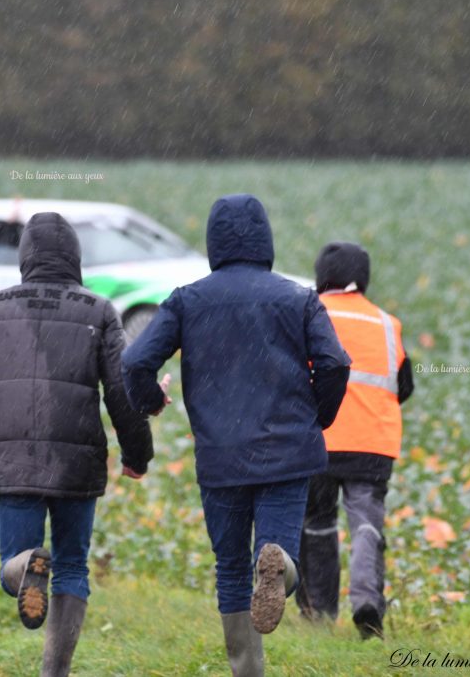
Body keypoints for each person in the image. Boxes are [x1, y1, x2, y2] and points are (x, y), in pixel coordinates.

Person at [121, 194, 350, 677]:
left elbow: (135, 361)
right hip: (287, 451)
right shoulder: (298, 297)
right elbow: (335, 362)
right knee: (278, 552)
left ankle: (247, 670)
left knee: (230, 568)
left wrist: (149, 402)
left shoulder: (187, 299)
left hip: (221, 457)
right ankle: (279, 567)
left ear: (214, 242)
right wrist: (316, 417)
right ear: (265, 239)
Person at [0, 211, 154, 676]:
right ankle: (54, 672)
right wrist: (137, 455)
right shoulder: (98, 311)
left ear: (25, 257)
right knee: (74, 566)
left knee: (11, 564)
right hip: (75, 459)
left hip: (13, 459)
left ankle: (23, 569)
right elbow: (122, 388)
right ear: (75, 257)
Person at [295, 242, 414, 640]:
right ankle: (366, 601)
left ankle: (319, 612)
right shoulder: (386, 323)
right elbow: (404, 385)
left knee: (317, 523)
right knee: (366, 523)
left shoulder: (309, 313)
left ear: (320, 276)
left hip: (320, 440)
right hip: (373, 444)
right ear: (362, 279)